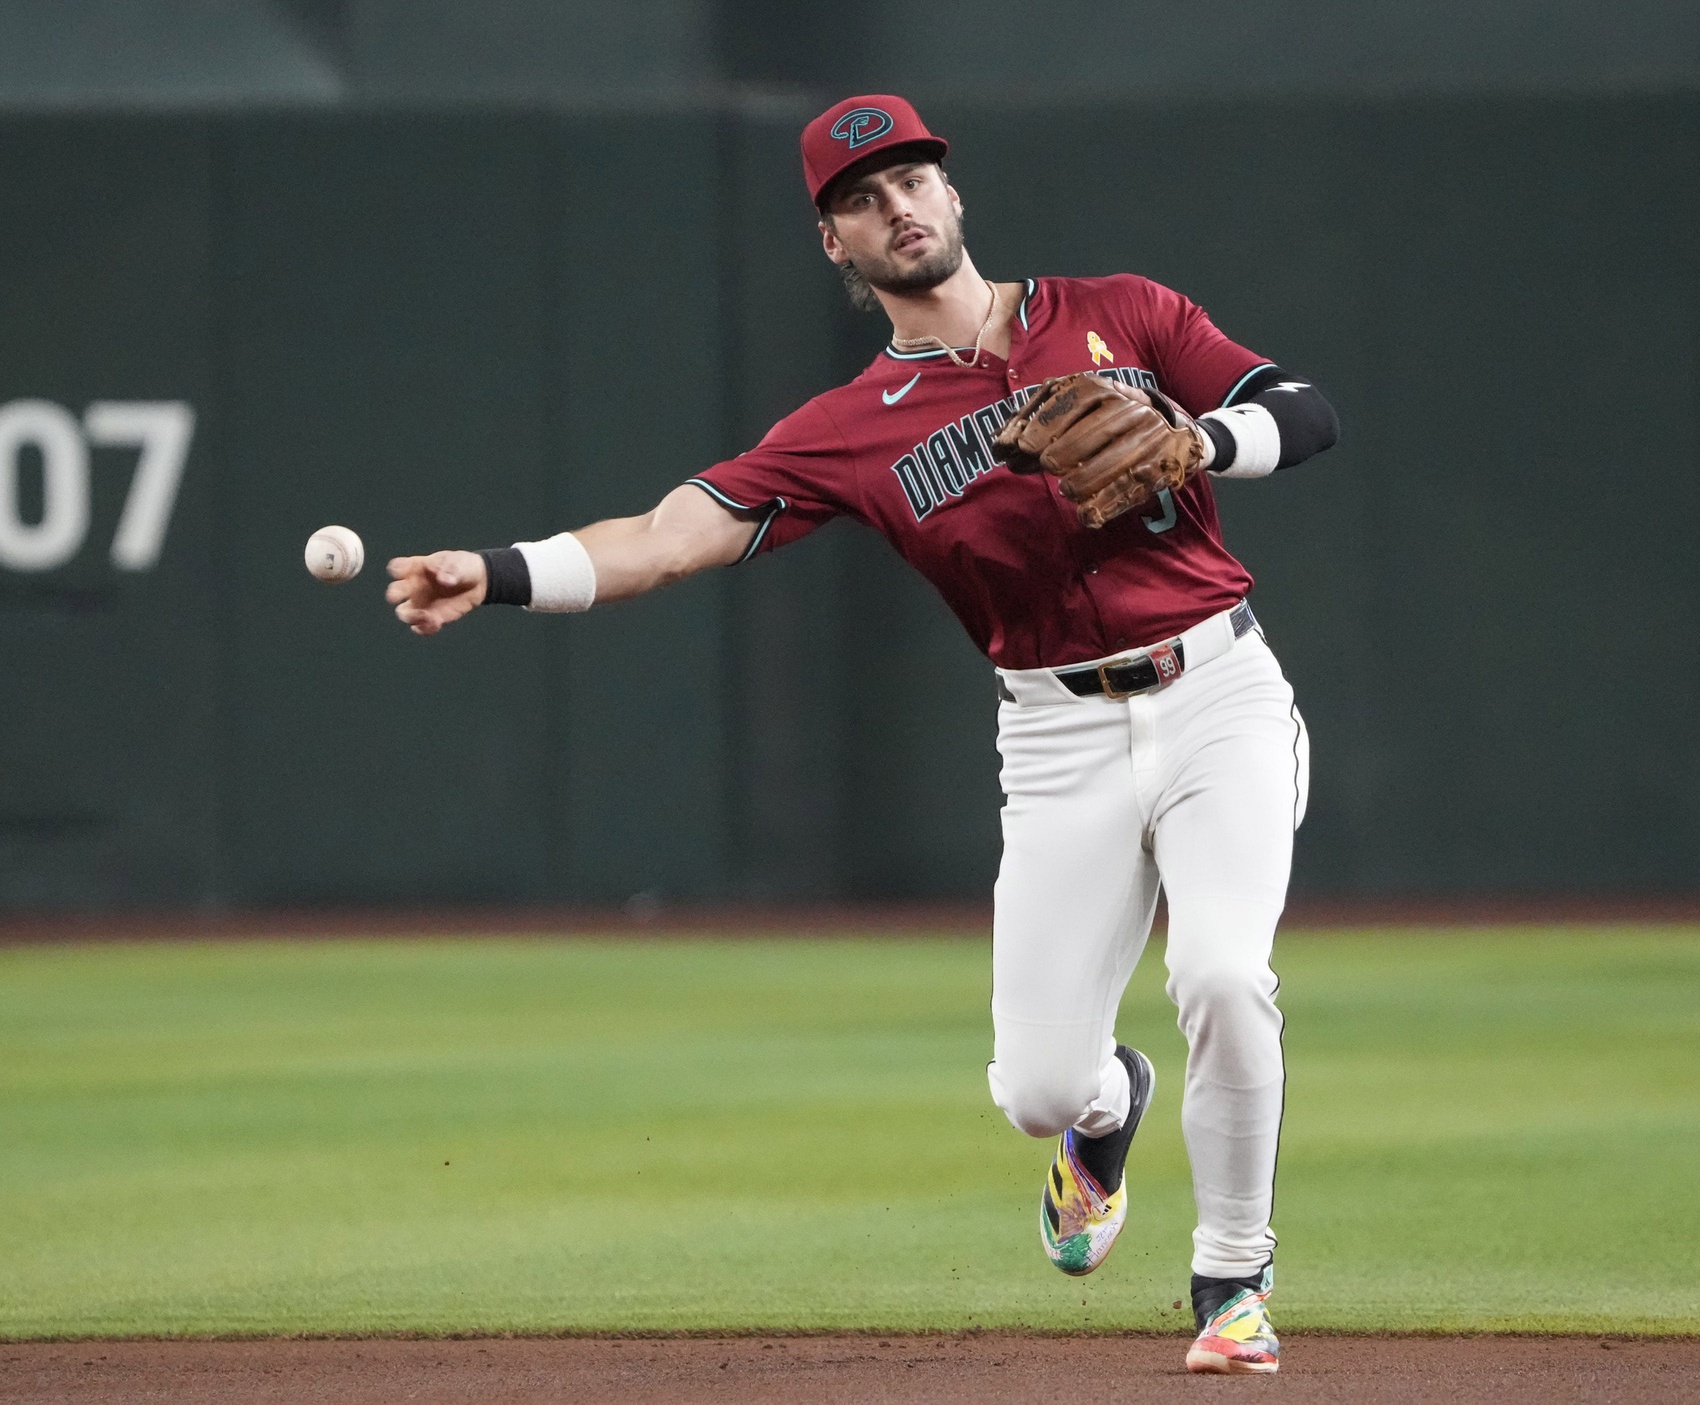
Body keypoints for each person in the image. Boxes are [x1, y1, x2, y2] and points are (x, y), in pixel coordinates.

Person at [386, 94, 1338, 1375]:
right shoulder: (844, 432)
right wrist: (493, 569)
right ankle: (1107, 1112)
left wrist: (1201, 434)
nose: (893, 208)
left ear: (951, 193)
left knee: (1223, 975)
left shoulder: (1123, 311)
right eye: (857, 199)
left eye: (908, 181)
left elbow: (1303, 408)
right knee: (1036, 1091)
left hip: (1217, 691)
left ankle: (1231, 1280)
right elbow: (667, 540)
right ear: (833, 244)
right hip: (1055, 740)